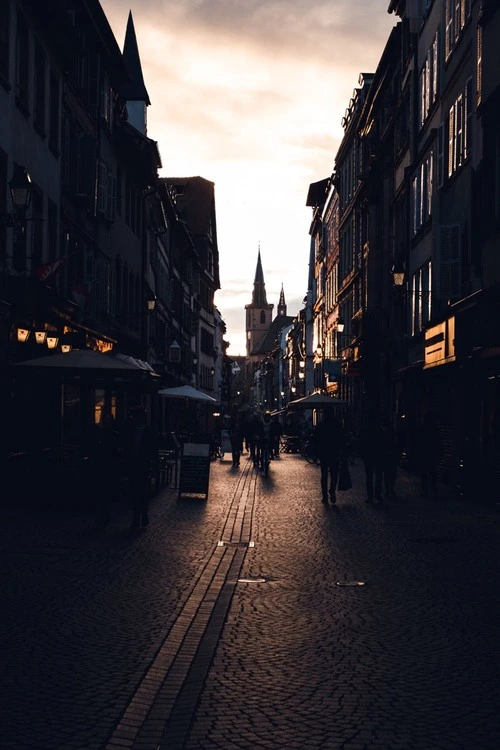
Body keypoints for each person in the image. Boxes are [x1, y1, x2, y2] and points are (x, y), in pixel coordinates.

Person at [123, 405, 158, 529]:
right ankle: (135, 518)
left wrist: (154, 467)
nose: (132, 419)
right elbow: (126, 450)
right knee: (133, 493)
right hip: (133, 467)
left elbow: (153, 451)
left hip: (143, 467)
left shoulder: (149, 432)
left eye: (134, 416)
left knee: (142, 493)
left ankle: (143, 514)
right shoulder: (129, 431)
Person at [91, 412, 123, 528]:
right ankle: (103, 514)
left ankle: (104, 514)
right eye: (105, 420)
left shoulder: (114, 435)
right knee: (101, 493)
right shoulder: (99, 434)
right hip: (101, 467)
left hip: (109, 468)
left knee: (105, 493)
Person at [312, 409, 346, 504]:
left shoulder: (320, 426)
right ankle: (332, 491)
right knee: (334, 474)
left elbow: (316, 440)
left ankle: (325, 496)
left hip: (324, 453)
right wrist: (342, 451)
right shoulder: (337, 425)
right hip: (334, 452)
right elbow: (342, 439)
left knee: (324, 475)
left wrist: (315, 453)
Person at [357, 414, 384, 504]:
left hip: (368, 456)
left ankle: (370, 496)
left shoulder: (365, 431)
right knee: (378, 476)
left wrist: (362, 453)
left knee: (369, 477)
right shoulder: (380, 431)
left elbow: (360, 442)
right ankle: (377, 494)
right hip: (378, 456)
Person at [415, 409, 441, 496]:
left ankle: (425, 490)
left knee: (425, 473)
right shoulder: (435, 429)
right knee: (432, 472)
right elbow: (438, 442)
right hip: (431, 454)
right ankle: (433, 489)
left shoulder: (422, 428)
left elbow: (418, 442)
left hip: (425, 454)